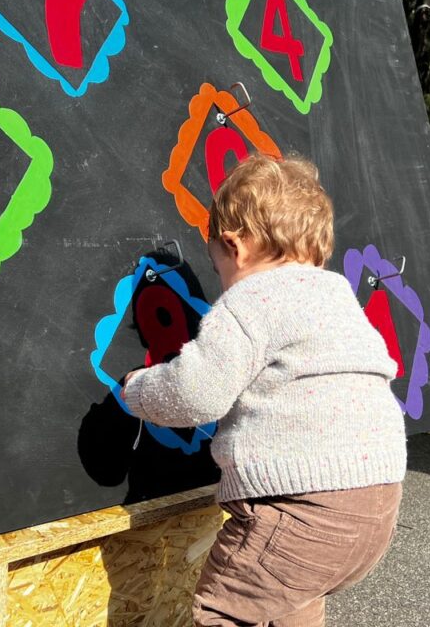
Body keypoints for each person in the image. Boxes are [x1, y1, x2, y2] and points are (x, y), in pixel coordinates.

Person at [120, 153, 406, 626]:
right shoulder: (339, 299)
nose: (221, 285)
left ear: (235, 247)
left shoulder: (252, 301)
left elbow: (196, 393)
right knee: (290, 598)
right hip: (376, 507)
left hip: (301, 509)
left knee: (224, 610)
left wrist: (139, 389)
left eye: (217, 269)